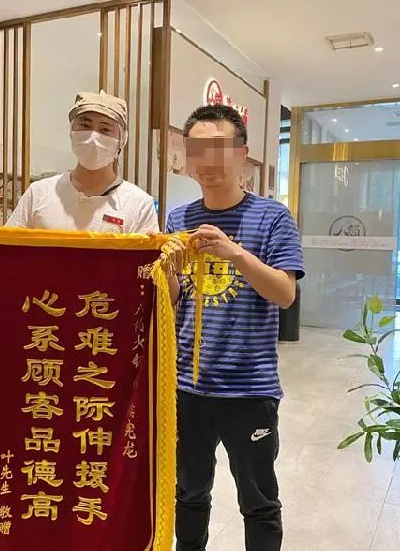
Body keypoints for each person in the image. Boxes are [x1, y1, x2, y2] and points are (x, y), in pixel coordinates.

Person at [165, 104, 305, 551]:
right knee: (188, 493)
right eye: (196, 149)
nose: (206, 160)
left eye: (218, 148)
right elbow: (173, 302)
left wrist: (236, 254)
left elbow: (284, 294)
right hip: (187, 386)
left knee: (258, 499)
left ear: (242, 153)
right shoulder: (177, 220)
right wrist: (168, 273)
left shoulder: (273, 218)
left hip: (249, 389)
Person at [0, 90, 158, 250]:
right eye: (85, 125)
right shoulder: (40, 193)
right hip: (44, 310)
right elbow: (3, 253)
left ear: (122, 140)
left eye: (105, 129)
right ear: (71, 131)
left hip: (102, 311)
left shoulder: (138, 204)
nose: (93, 135)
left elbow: (151, 279)